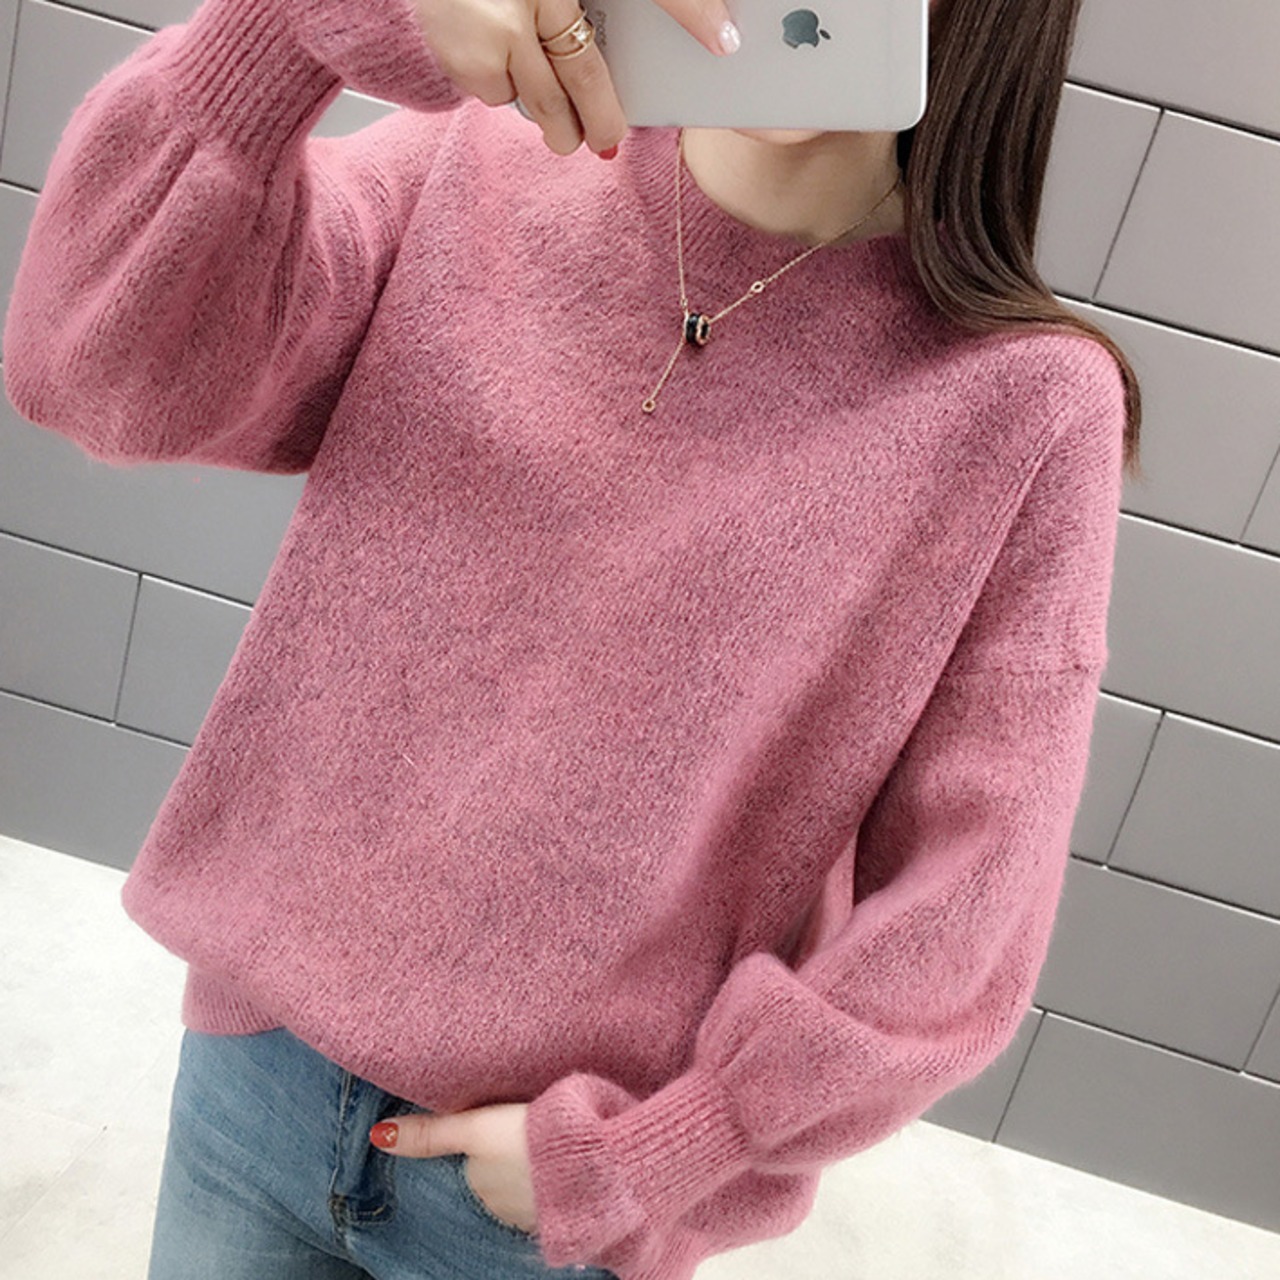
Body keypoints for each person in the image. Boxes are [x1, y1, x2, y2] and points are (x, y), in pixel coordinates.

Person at [2, 0, 1144, 1276]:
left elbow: (966, 909)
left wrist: (656, 1153)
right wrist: (285, 27)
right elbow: (93, 371)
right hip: (253, 1071)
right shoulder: (478, 162)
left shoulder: (1021, 407)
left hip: (538, 1212)